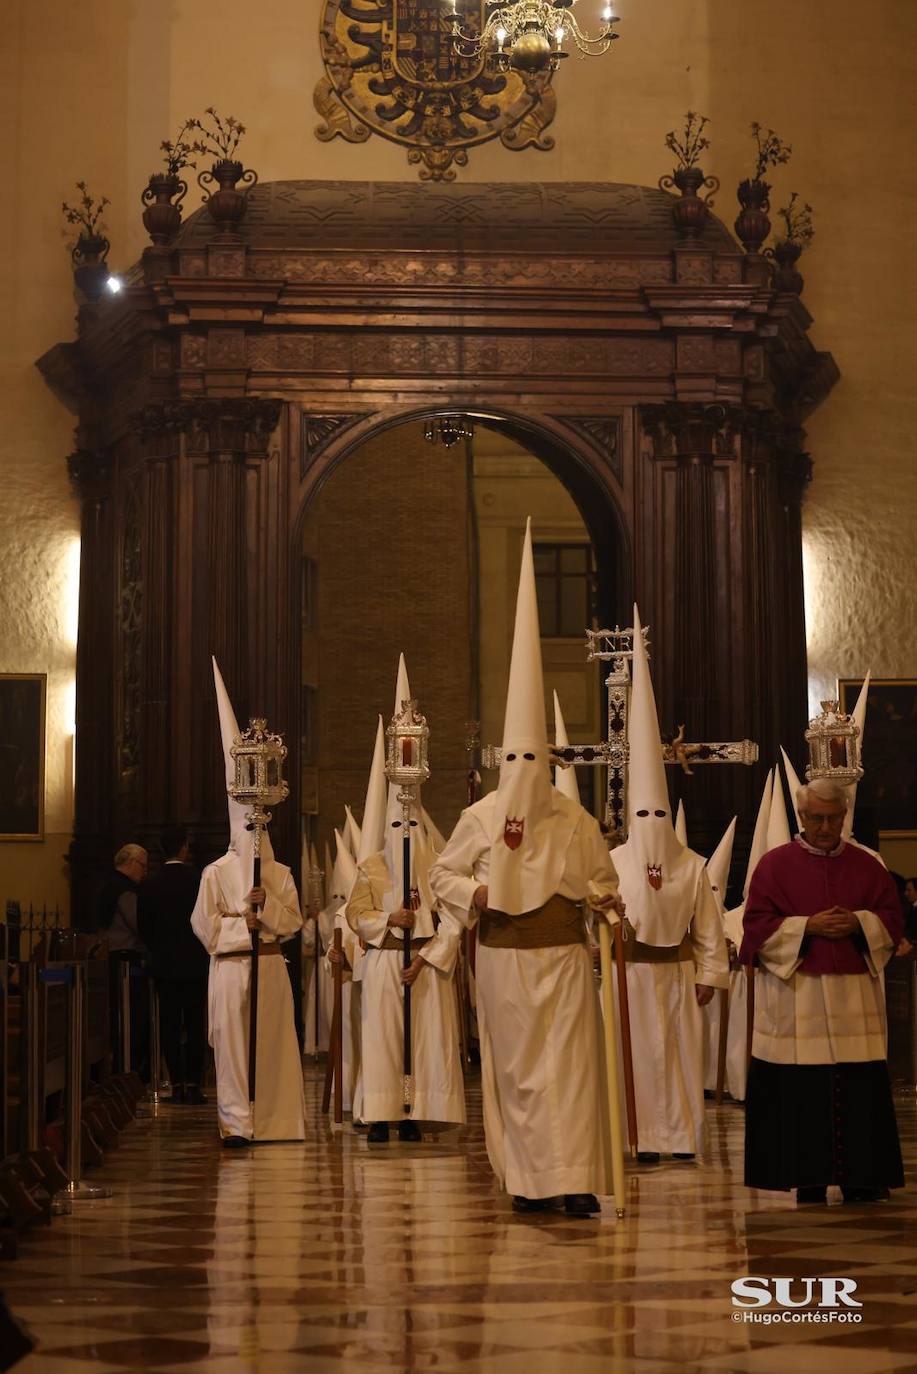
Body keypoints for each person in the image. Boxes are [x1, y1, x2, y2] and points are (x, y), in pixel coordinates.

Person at [430, 521, 622, 1216]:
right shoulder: (479, 819)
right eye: (509, 761)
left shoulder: (573, 820)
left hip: (564, 958)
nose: (519, 775)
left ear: (547, 764)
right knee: (516, 1073)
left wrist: (603, 903)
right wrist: (480, 889)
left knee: (569, 1072)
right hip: (505, 957)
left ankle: (571, 1179)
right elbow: (441, 878)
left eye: (529, 762)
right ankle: (528, 1180)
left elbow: (603, 881)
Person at [741, 777, 904, 1205]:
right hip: (800, 995)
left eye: (833, 818)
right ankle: (807, 1177)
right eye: (816, 818)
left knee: (858, 1087)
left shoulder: (869, 865)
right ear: (801, 817)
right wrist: (806, 926)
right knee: (801, 1091)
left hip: (854, 997)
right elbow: (755, 925)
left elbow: (892, 918)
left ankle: (863, 1178)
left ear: (845, 816)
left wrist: (860, 923)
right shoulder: (774, 866)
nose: (825, 827)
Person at [610, 606, 729, 1163]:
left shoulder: (692, 866)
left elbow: (707, 927)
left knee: (680, 1054)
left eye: (661, 816)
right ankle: (640, 1139)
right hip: (629, 975)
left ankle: (679, 1137)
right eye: (645, 817)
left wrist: (709, 972)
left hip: (679, 975)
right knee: (635, 1056)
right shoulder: (611, 861)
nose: (654, 829)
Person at [346, 654, 465, 1142]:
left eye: (410, 823)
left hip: (425, 967)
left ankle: (414, 1109)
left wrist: (431, 956)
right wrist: (386, 919)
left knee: (422, 1043)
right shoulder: (372, 865)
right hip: (384, 962)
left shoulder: (438, 865)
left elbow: (454, 918)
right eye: (397, 825)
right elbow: (356, 913)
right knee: (383, 1041)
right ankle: (381, 1113)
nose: (403, 830)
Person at [190, 659, 305, 1147]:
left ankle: (276, 1121)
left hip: (271, 967)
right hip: (234, 966)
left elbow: (295, 921)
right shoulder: (215, 873)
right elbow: (206, 928)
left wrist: (269, 913)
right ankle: (237, 1122)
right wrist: (247, 924)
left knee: (273, 1046)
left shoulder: (279, 874)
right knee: (235, 1051)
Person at [137, 824, 208, 1103]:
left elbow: (144, 927)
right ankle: (193, 1084)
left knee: (168, 1024)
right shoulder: (197, 880)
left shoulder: (151, 883)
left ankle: (176, 1084)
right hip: (194, 964)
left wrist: (159, 950)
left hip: (165, 964)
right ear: (184, 848)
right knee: (194, 1024)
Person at [95, 842, 150, 1078]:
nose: (145, 873)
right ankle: (129, 1070)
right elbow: (138, 923)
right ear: (130, 863)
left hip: (111, 957)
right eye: (143, 866)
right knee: (132, 1017)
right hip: (126, 960)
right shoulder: (124, 890)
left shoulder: (108, 884)